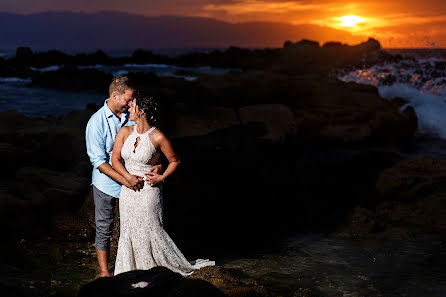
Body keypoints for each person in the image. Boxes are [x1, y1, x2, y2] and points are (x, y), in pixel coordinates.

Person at [112, 94, 215, 276]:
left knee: (151, 228)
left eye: (133, 106)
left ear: (142, 111)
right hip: (128, 191)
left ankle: (155, 270)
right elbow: (115, 160)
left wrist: (162, 177)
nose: (129, 108)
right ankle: (128, 271)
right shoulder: (125, 132)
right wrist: (127, 177)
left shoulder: (158, 136)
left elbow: (175, 160)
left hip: (148, 191)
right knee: (128, 229)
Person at [85, 76, 161, 277]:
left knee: (138, 224)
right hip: (107, 184)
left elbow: (151, 144)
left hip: (135, 183)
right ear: (114, 95)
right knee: (104, 227)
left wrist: (158, 165)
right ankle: (104, 273)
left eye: (133, 100)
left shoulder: (133, 116)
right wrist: (125, 179)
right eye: (128, 100)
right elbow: (98, 161)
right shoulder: (96, 122)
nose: (132, 104)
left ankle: (138, 266)